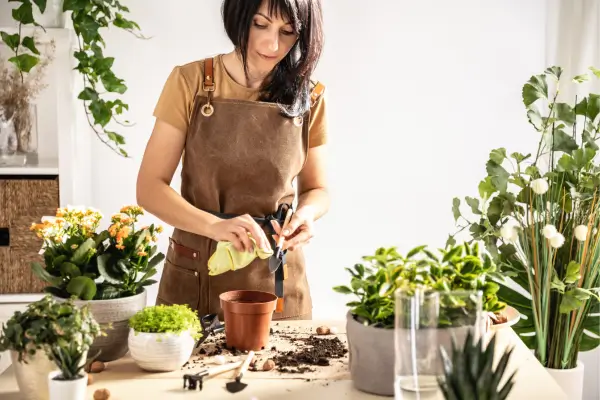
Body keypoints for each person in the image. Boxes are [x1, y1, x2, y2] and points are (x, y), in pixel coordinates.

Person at [136, 0, 329, 321]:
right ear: (239, 18)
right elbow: (149, 188)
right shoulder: (191, 82)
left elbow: (318, 188)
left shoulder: (309, 97)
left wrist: (307, 215)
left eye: (288, 32)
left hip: (278, 278)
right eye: (260, 24)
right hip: (196, 269)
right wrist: (216, 226)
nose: (272, 44)